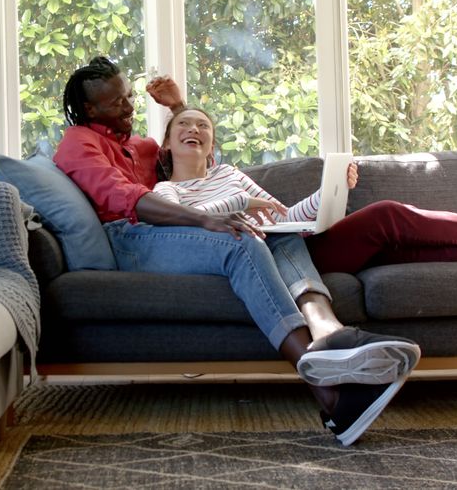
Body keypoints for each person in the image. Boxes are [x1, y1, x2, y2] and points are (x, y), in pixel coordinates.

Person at [53, 56, 422, 446]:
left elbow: (189, 146)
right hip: (129, 238)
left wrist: (178, 107)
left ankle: (330, 338)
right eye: (116, 103)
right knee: (240, 238)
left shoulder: (140, 146)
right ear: (89, 109)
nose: (129, 106)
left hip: (164, 231)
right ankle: (330, 392)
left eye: (129, 96)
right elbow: (127, 198)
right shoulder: (78, 142)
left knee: (278, 234)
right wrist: (208, 220)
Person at [152, 106, 457, 292]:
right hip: (271, 263)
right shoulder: (165, 191)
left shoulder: (231, 175)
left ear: (211, 144)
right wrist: (241, 206)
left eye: (203, 126)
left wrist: (331, 192)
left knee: (402, 250)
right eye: (183, 126)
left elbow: (287, 217)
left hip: (292, 243)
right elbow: (187, 220)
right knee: (388, 216)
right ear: (167, 145)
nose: (194, 129)